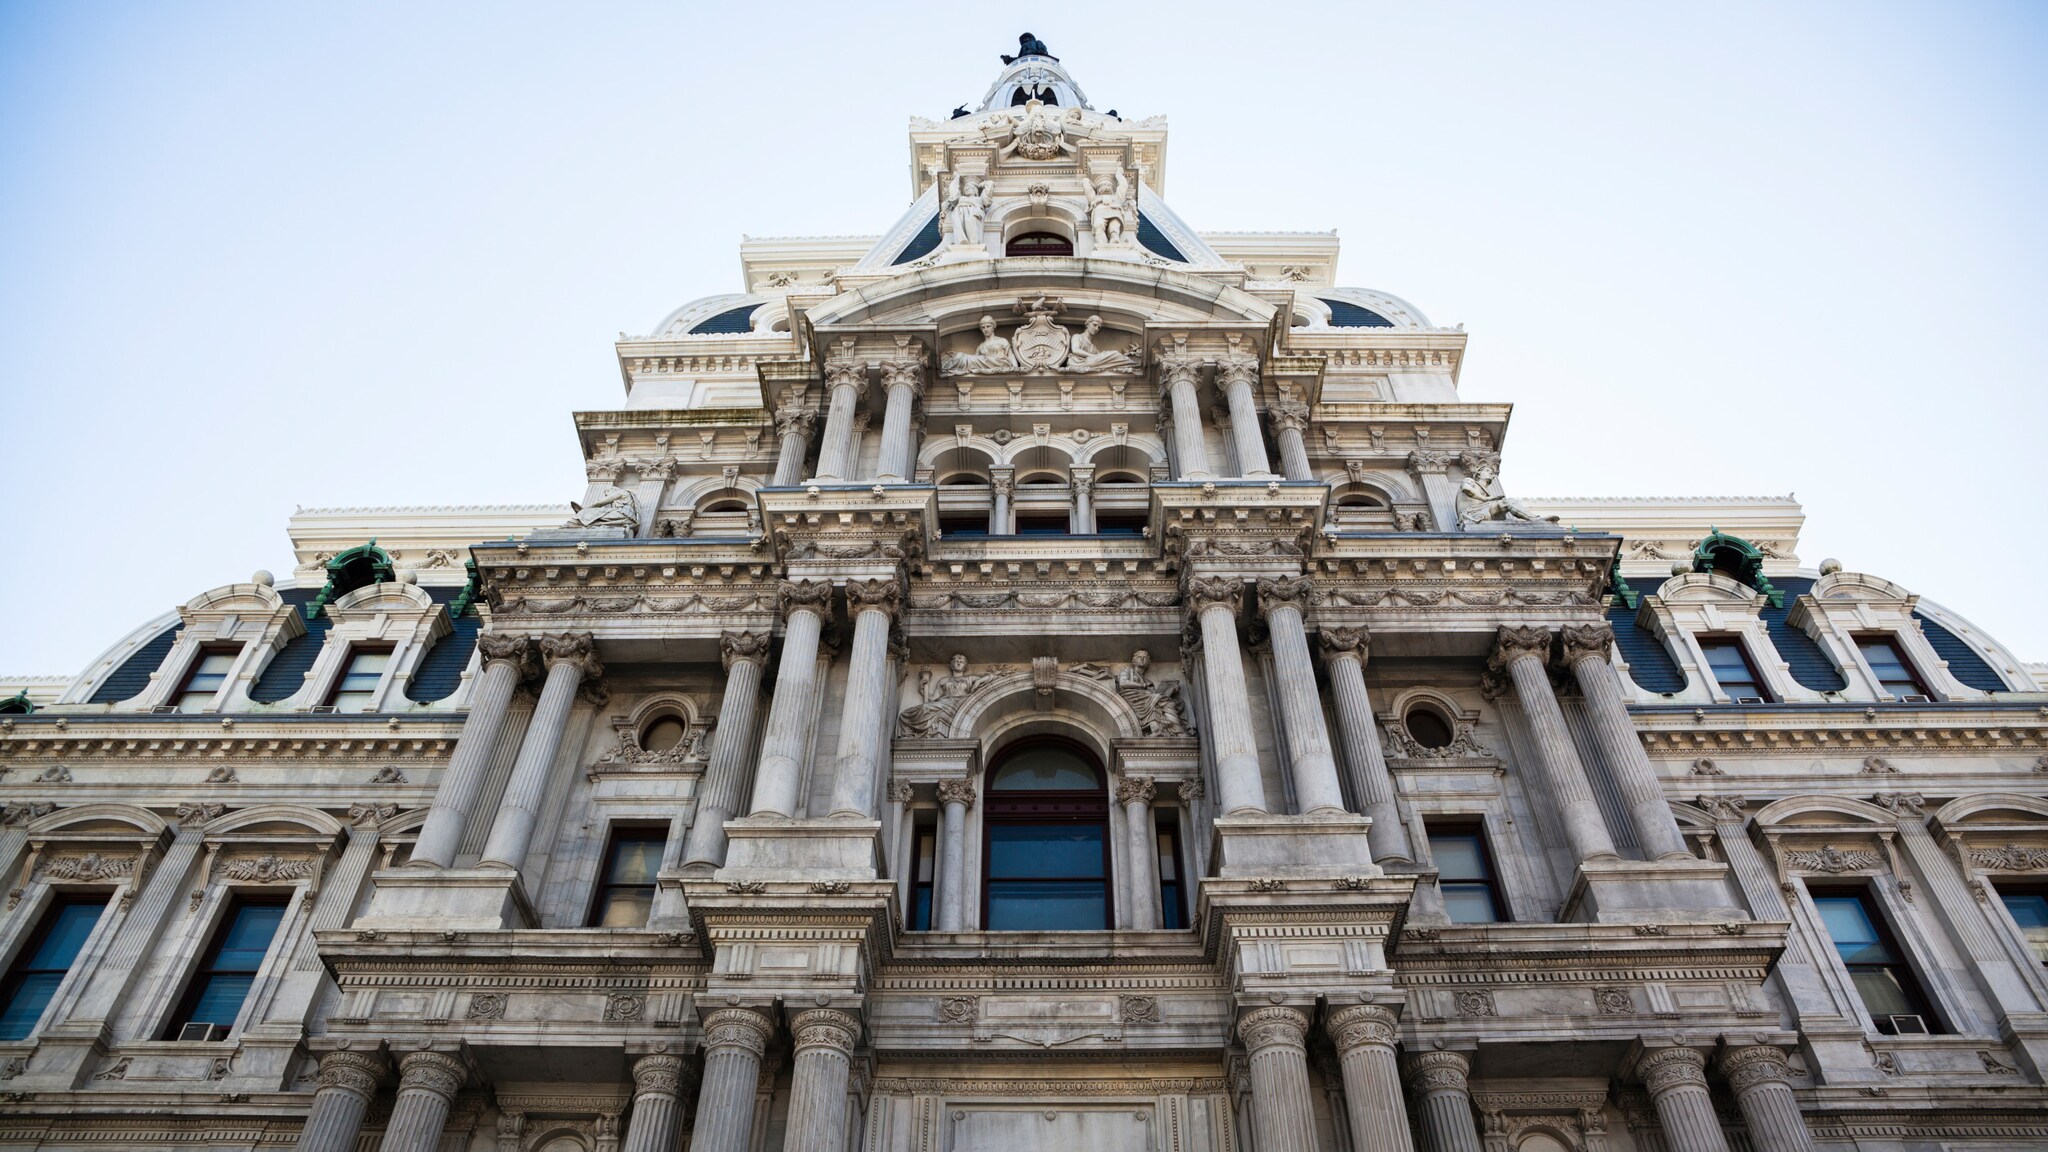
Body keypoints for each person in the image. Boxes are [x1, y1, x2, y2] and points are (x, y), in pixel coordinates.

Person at [940, 316, 1021, 374]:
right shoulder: (980, 346)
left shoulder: (1002, 340)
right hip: (983, 364)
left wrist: (1016, 369)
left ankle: (949, 364)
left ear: (993, 327)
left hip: (1001, 364)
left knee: (963, 357)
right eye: (983, 327)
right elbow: (975, 362)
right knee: (961, 356)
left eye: (988, 326)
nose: (986, 329)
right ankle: (947, 364)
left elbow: (1010, 355)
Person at [1065, 315, 1140, 373]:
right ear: (1087, 324)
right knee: (1115, 353)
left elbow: (1103, 358)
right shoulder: (1077, 336)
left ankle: (1130, 362)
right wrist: (1093, 356)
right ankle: (1134, 363)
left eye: (1099, 327)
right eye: (1094, 325)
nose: (1096, 329)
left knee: (1112, 356)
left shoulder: (1093, 347)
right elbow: (1075, 350)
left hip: (1092, 362)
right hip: (1080, 363)